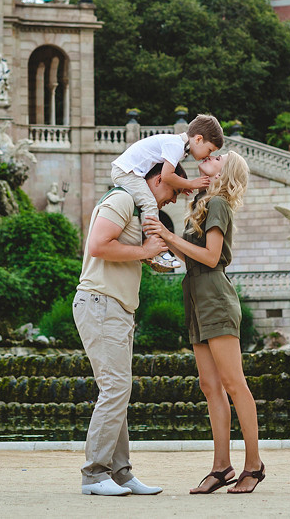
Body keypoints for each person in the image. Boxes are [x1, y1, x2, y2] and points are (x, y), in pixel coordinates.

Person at [144, 151, 265, 495]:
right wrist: (162, 244)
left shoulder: (219, 204)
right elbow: (190, 255)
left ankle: (253, 466)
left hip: (214, 295)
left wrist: (168, 237)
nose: (209, 156)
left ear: (224, 172)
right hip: (196, 294)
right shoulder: (201, 202)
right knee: (209, 386)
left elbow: (211, 257)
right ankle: (221, 466)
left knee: (233, 383)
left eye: (218, 157)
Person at [72, 161, 187, 496]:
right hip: (100, 303)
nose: (175, 199)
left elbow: (117, 251)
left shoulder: (135, 210)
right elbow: (97, 245)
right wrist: (144, 250)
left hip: (115, 307)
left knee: (118, 390)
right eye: (174, 190)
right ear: (155, 180)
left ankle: (120, 473)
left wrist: (148, 256)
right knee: (115, 388)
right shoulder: (122, 199)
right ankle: (94, 474)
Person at [111, 113, 223, 271]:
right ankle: (154, 250)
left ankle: (144, 243)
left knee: (143, 206)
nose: (208, 155)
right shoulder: (176, 145)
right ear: (198, 139)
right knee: (149, 203)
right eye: (209, 149)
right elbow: (166, 176)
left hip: (127, 171)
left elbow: (168, 177)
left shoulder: (177, 145)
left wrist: (183, 186)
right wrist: (190, 183)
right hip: (126, 172)